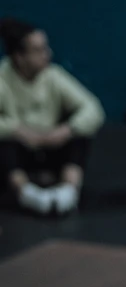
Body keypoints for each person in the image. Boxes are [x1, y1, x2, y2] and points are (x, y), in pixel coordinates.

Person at [0, 17, 105, 215]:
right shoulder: (2, 79)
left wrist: (65, 131)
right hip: (21, 150)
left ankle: (68, 193)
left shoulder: (53, 76)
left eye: (45, 48)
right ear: (19, 57)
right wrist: (16, 129)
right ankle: (27, 194)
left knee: (80, 136)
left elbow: (93, 108)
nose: (47, 54)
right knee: (4, 145)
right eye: (38, 50)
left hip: (51, 147)